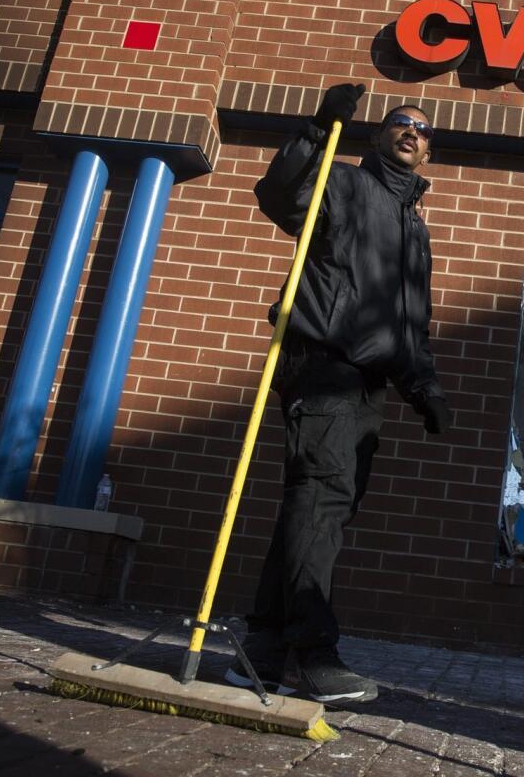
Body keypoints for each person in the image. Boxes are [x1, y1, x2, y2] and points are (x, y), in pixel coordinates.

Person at [225, 84, 450, 705]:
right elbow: (279, 197)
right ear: (379, 136)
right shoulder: (344, 183)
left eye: (424, 130)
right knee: (321, 498)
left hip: (370, 381)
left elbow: (411, 324)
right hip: (320, 362)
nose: (413, 132)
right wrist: (318, 131)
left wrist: (423, 383)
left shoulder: (415, 230)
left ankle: (262, 651)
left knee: (321, 509)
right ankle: (311, 651)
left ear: (429, 152)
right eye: (401, 122)